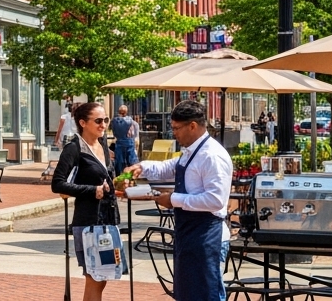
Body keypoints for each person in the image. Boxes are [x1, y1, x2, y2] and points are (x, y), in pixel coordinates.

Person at [126, 100, 233, 301]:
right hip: (189, 233)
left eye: (176, 128)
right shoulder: (192, 151)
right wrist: (142, 167)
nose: (173, 133)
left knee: (205, 294)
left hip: (207, 235)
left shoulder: (212, 155)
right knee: (188, 293)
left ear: (192, 125)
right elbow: (171, 166)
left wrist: (173, 199)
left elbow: (215, 200)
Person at [51, 102, 119, 301]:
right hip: (88, 221)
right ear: (83, 123)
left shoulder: (103, 144)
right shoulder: (74, 148)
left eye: (106, 120)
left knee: (103, 275)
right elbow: (58, 184)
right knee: (94, 276)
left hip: (107, 219)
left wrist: (118, 185)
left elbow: (105, 178)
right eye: (98, 121)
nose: (103, 125)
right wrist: (91, 191)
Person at [110, 105, 139, 175]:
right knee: (131, 162)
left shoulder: (114, 121)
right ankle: (131, 178)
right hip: (130, 144)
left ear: (119, 112)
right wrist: (136, 148)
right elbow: (135, 136)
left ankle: (118, 178)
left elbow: (114, 134)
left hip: (119, 144)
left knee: (119, 163)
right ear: (126, 112)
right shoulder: (133, 123)